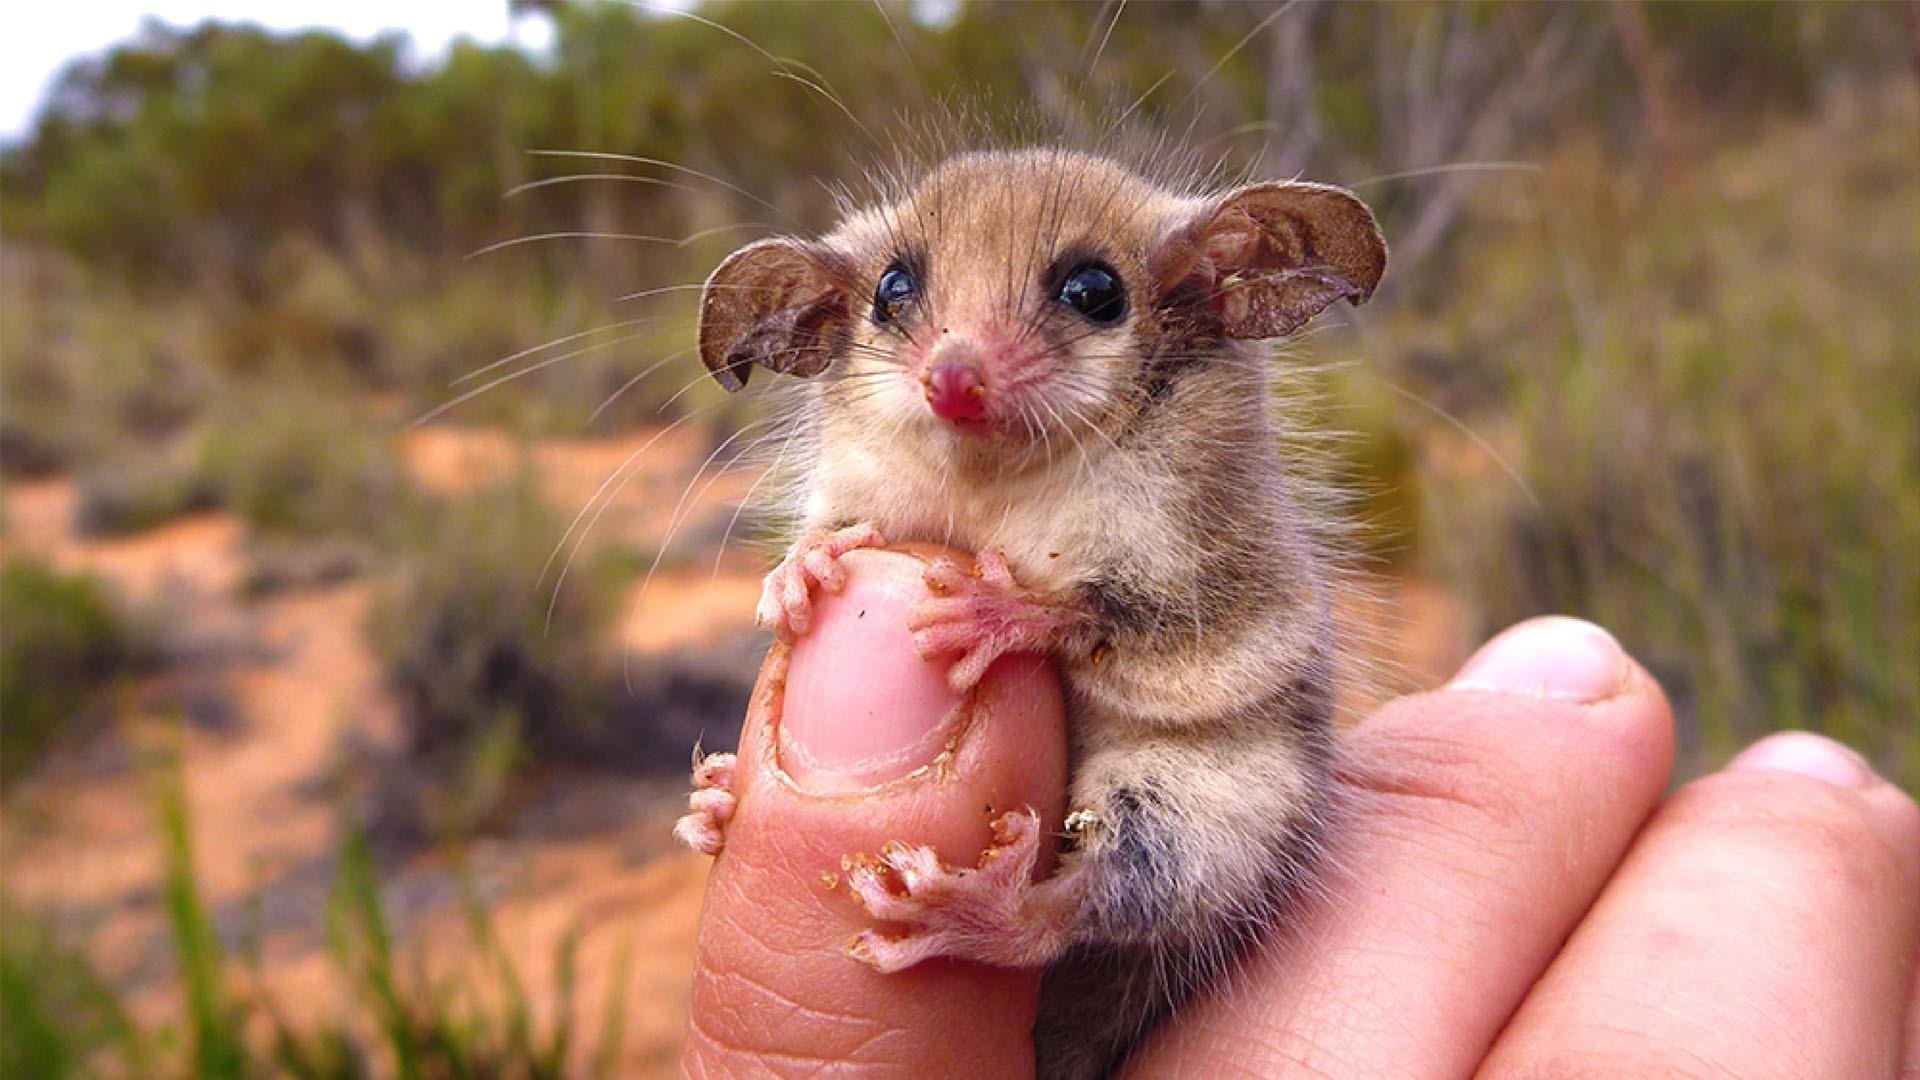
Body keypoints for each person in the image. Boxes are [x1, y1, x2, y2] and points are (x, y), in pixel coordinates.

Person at [681, 552, 1920, 1076]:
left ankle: (1038, 907)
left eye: (1086, 300)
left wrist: (1062, 618)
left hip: (1160, 823)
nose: (955, 371)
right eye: (899, 304)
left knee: (1203, 814)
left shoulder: (1188, 479)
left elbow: (1230, 643)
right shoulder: (873, 468)